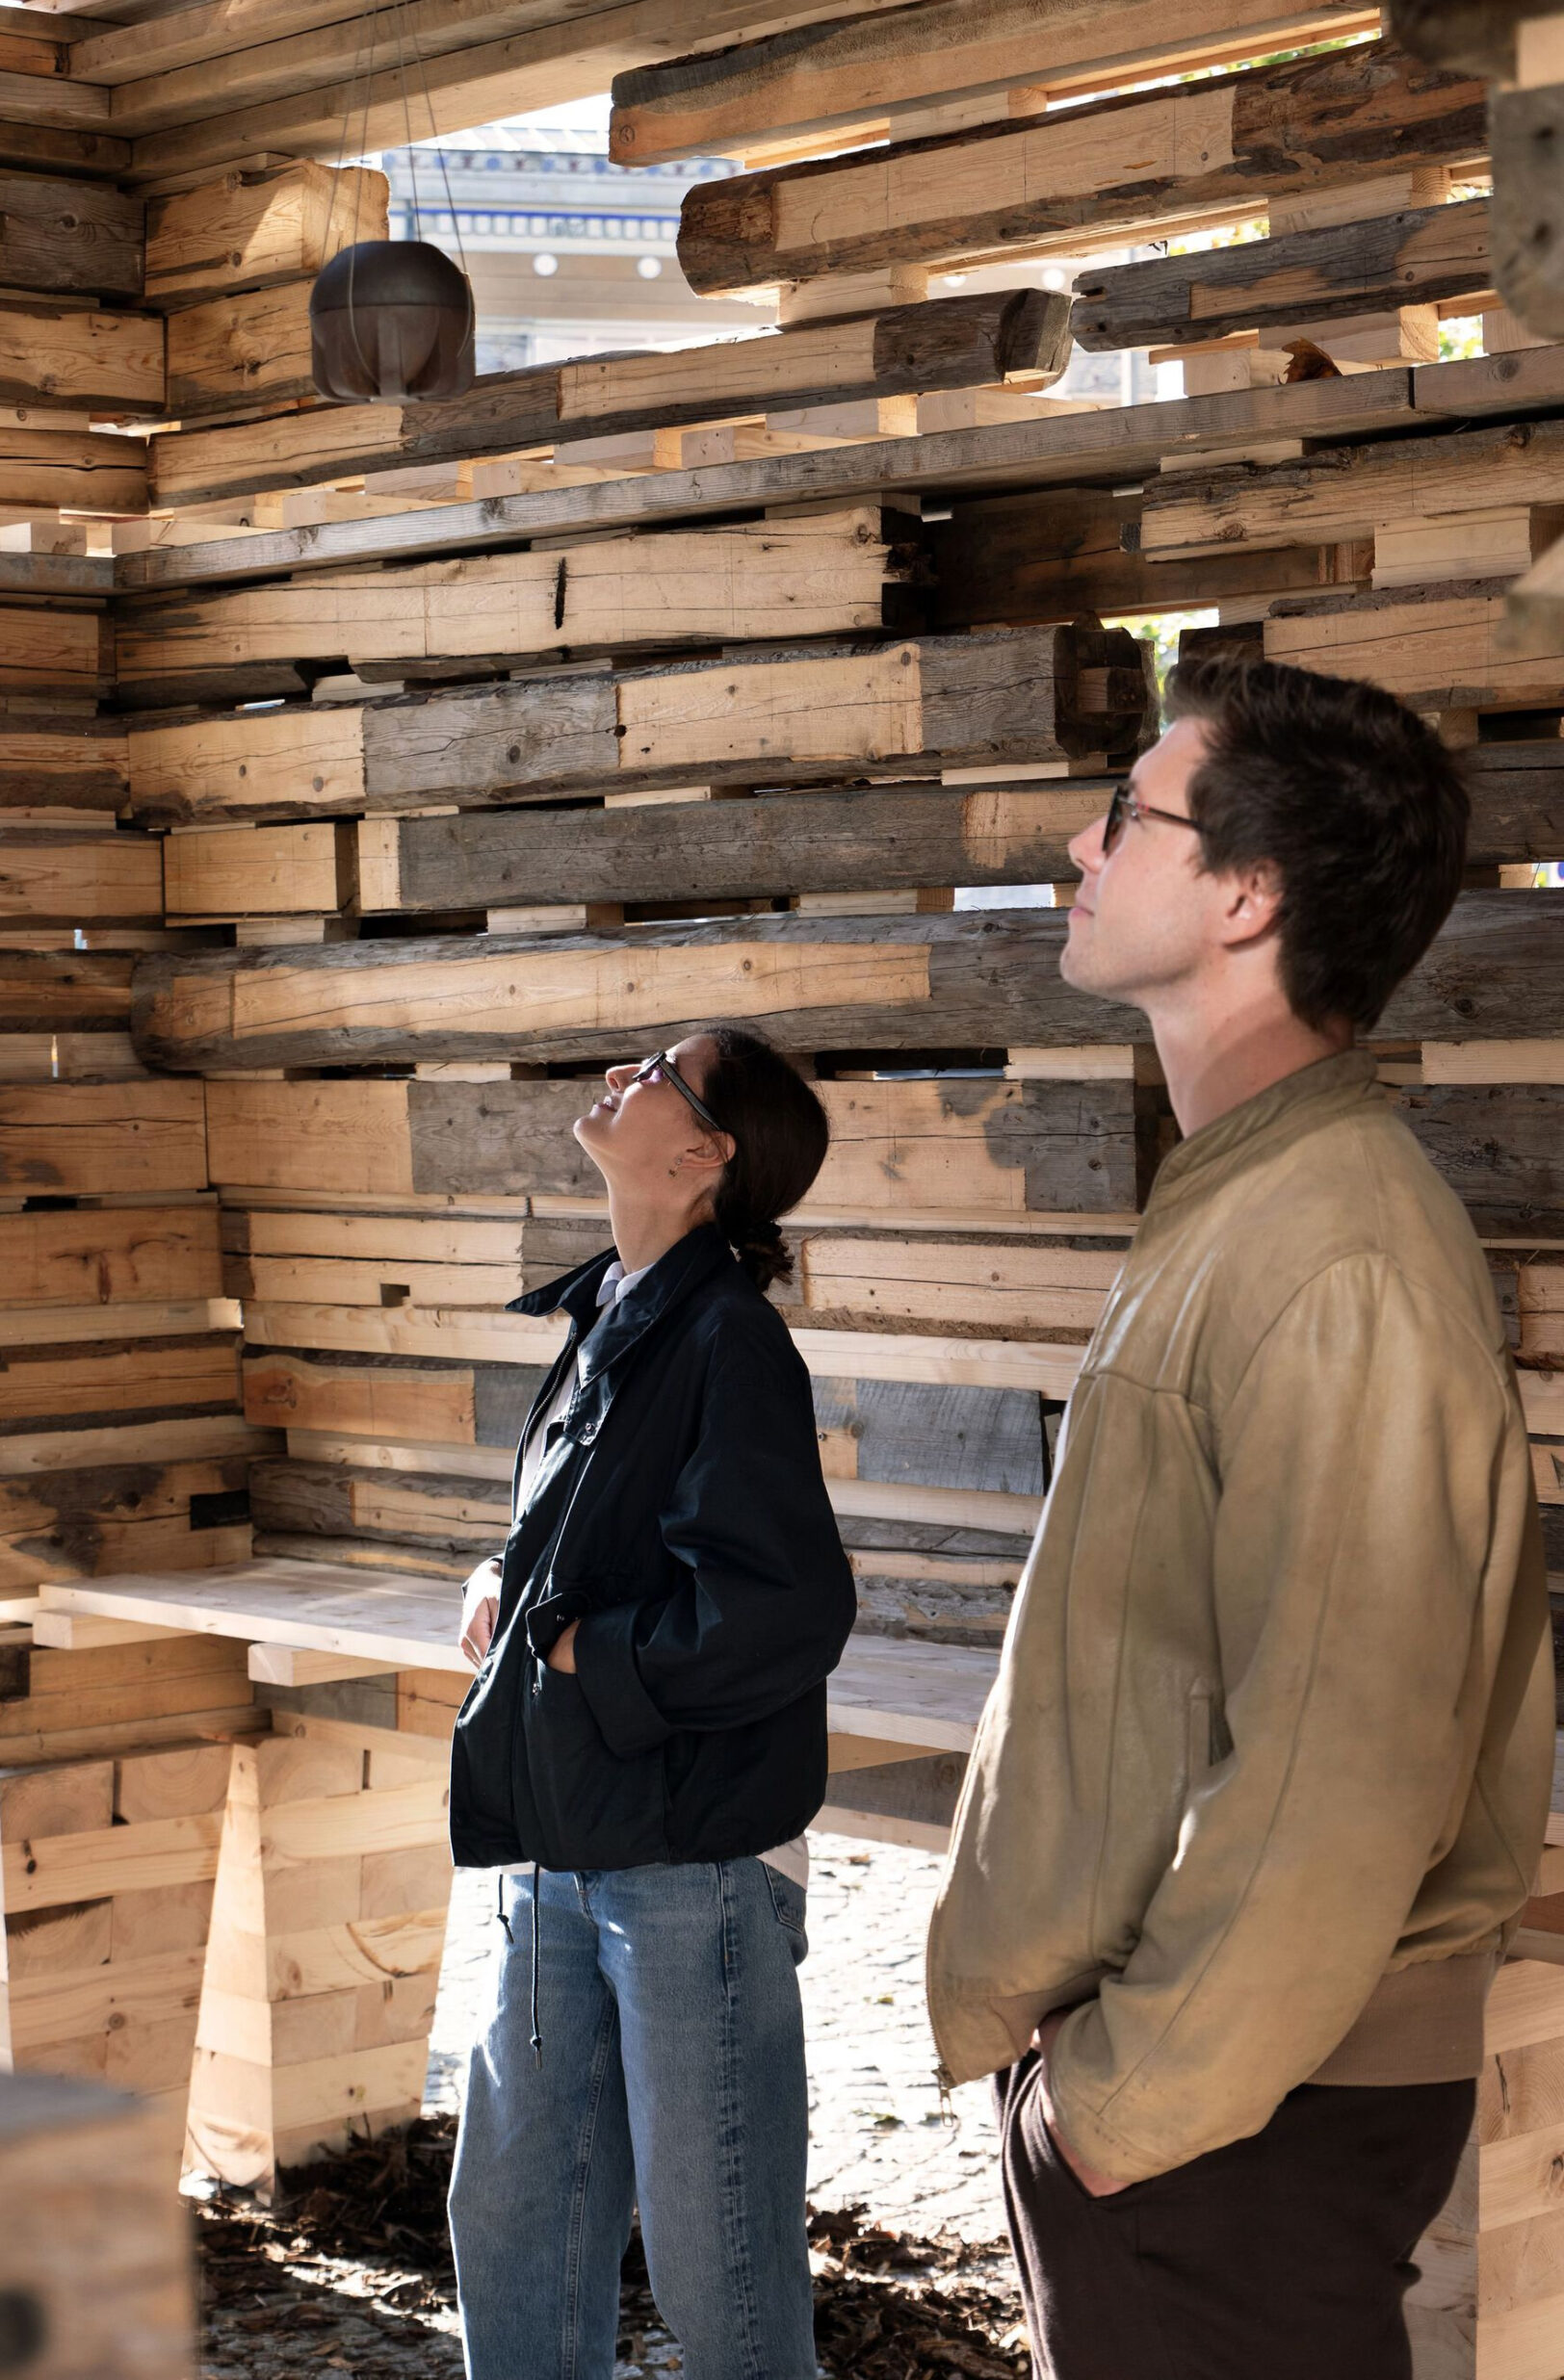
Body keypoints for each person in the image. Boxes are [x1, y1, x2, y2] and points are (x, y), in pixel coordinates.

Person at [927, 654, 1554, 2379]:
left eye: (1126, 815)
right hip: (1207, 2098)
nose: (1081, 846)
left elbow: (1341, 1762)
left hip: (1236, 2117)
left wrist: (1123, 2106)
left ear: (1248, 893)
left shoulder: (1334, 1248)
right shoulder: (1250, 1199)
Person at [446, 1024, 856, 2380]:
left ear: (705, 1155)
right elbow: (602, 1536)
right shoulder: (608, 1312)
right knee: (516, 2230)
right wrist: (506, 1577)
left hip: (690, 1868)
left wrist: (586, 1654)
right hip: (559, 1842)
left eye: (658, 1075)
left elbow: (782, 1609)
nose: (619, 1078)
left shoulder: (731, 1340)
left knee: (717, 2277)